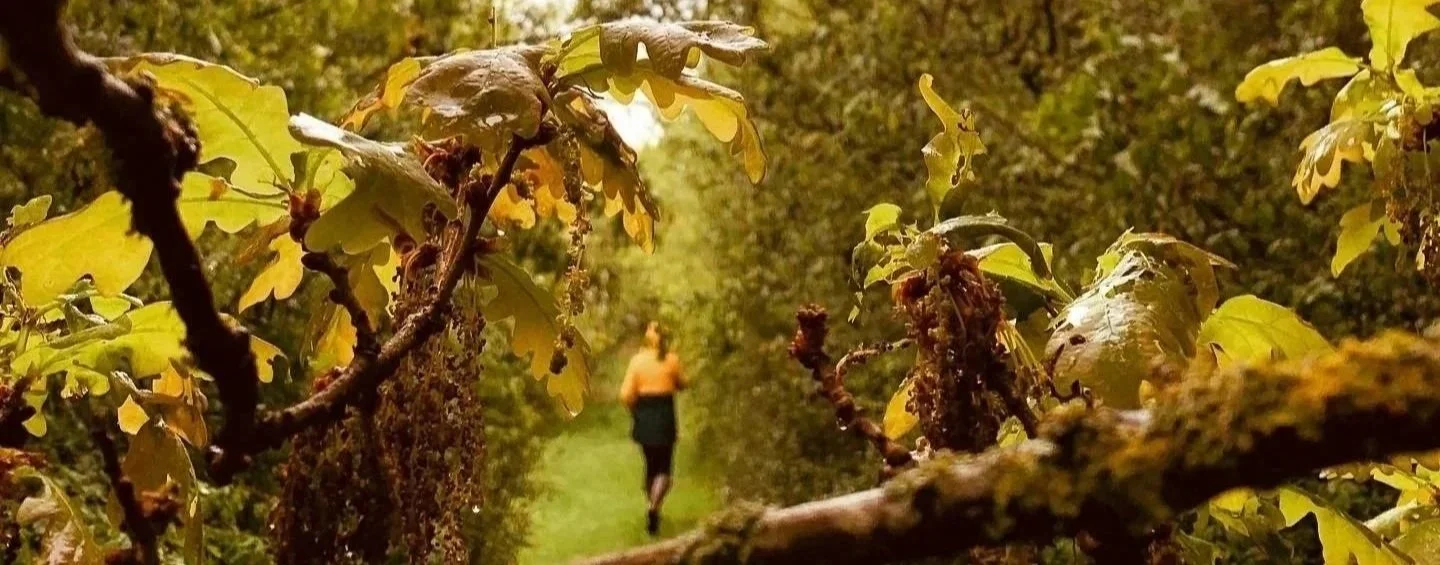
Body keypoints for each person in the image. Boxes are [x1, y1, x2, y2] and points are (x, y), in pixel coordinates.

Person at [618, 321, 686, 536]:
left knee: (651, 465)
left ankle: (651, 505)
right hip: (664, 416)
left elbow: (626, 395)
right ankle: (654, 507)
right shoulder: (671, 360)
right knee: (664, 467)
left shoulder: (637, 362)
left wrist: (636, 410)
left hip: (644, 416)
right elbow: (683, 383)